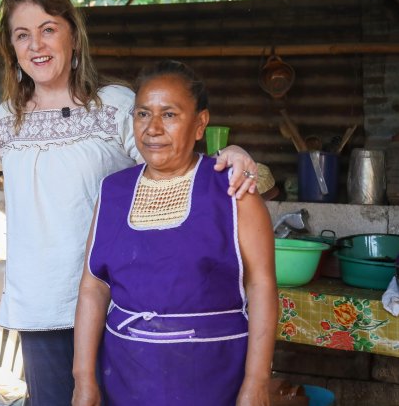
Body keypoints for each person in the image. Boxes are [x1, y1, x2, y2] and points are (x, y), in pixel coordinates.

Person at [0, 0, 259, 405]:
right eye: (22, 35)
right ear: (12, 48)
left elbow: (173, 159)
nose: (36, 45)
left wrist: (231, 153)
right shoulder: (1, 124)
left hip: (122, 307)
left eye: (48, 29)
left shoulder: (115, 106)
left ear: (73, 37)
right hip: (41, 309)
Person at [72, 60, 277, 406]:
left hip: (213, 378)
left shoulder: (233, 190)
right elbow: (94, 286)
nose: (152, 128)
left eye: (169, 115)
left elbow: (262, 285)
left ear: (200, 125)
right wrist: (83, 379)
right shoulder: (113, 191)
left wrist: (257, 382)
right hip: (126, 376)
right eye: (142, 114)